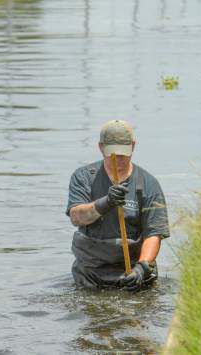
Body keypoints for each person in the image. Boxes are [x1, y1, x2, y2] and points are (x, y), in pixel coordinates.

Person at [65, 120, 169, 290]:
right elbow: (76, 217)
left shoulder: (148, 184)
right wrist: (105, 203)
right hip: (91, 271)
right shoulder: (83, 177)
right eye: (112, 152)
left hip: (132, 270)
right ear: (101, 147)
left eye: (124, 152)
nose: (118, 158)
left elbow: (154, 234)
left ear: (133, 146)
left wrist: (142, 268)